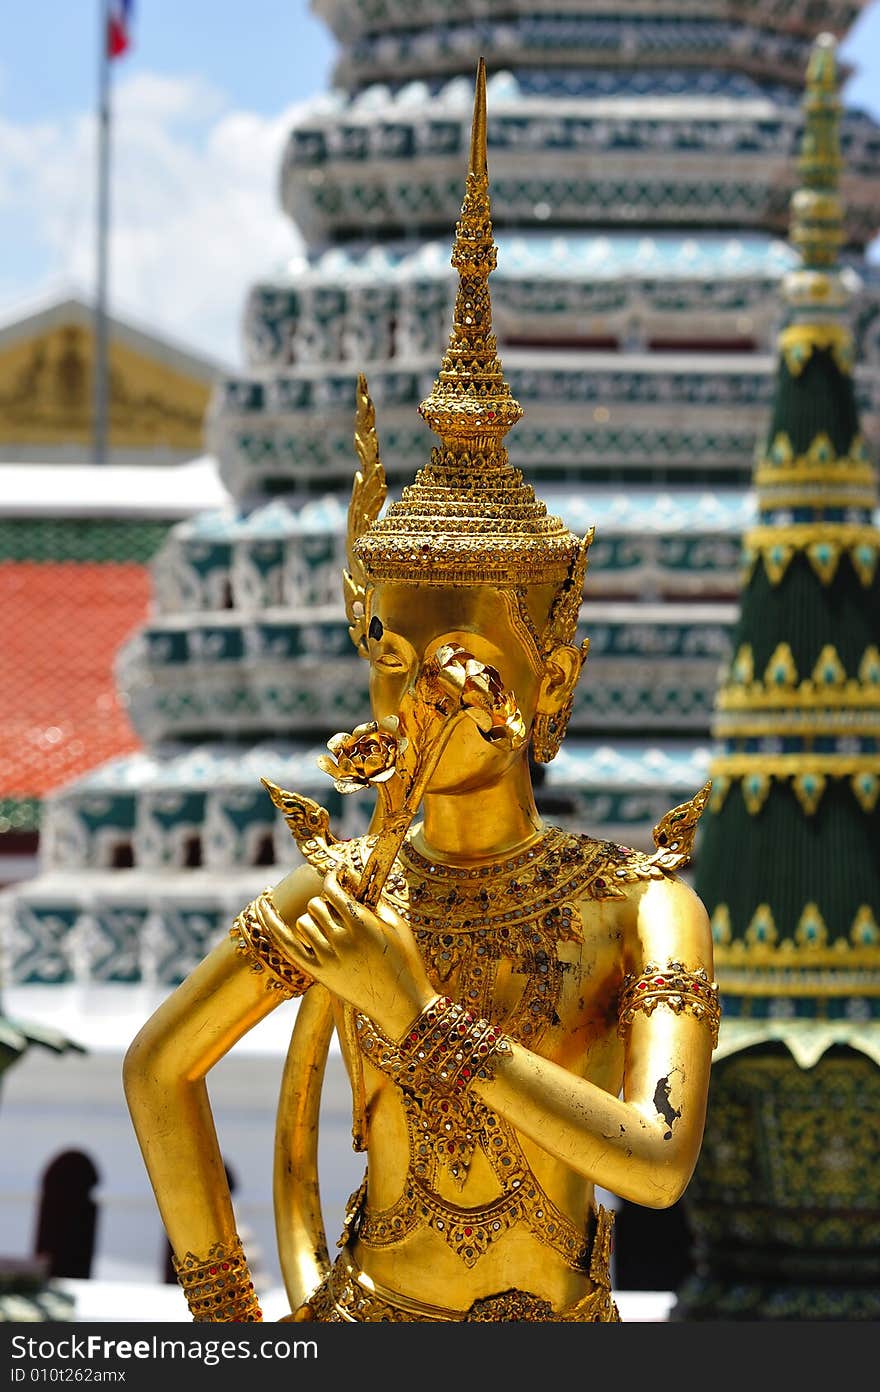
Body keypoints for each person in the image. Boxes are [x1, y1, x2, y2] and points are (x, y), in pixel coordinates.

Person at [123, 60, 719, 1325]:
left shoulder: (638, 907)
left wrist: (416, 1011)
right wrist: (233, 1322)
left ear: (546, 685)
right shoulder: (347, 896)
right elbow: (157, 1068)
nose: (420, 691)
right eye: (391, 656)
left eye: (463, 662)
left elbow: (655, 1162)